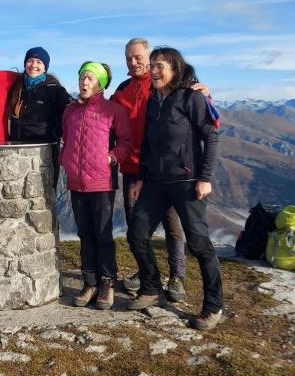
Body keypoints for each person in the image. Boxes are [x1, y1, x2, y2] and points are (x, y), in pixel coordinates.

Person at [127, 47, 223, 330]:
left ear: (175, 70)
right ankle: (152, 286)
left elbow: (211, 136)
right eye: (152, 65)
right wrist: (142, 177)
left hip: (186, 181)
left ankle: (213, 306)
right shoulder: (153, 102)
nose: (154, 70)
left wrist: (204, 177)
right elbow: (147, 143)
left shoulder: (191, 97)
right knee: (137, 233)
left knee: (199, 243)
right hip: (155, 181)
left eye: (160, 66)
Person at [112, 38, 188, 302]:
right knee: (137, 227)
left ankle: (177, 276)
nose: (133, 63)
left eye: (137, 57)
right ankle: (147, 274)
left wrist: (204, 91)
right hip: (132, 168)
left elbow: (190, 103)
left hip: (162, 168)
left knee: (171, 224)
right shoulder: (122, 89)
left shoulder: (163, 86)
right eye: (128, 59)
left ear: (149, 57)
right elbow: (106, 117)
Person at [61, 62, 131, 310]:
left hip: (101, 182)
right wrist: (65, 159)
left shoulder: (113, 111)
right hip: (76, 182)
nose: (84, 82)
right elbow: (66, 139)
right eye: (82, 77)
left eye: (90, 78)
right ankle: (89, 282)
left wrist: (111, 158)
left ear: (100, 83)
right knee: (84, 233)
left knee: (102, 234)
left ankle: (106, 283)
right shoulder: (70, 112)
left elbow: (126, 141)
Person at [6, 47, 72, 185]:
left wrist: (58, 134)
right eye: (30, 60)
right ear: (25, 63)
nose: (34, 65)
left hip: (44, 153)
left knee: (45, 196)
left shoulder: (54, 89)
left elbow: (72, 110)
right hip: (16, 151)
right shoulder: (16, 86)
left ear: (45, 67)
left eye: (39, 62)